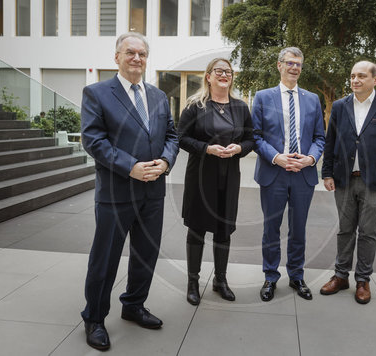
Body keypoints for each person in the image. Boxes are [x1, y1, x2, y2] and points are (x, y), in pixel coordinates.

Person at [80, 32, 179, 350]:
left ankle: (133, 305)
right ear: (117, 57)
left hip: (153, 191)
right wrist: (131, 166)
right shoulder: (96, 93)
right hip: (116, 191)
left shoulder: (159, 96)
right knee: (105, 258)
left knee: (145, 255)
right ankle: (94, 317)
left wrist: (165, 161)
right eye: (130, 52)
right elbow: (93, 140)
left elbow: (172, 136)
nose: (137, 58)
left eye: (142, 53)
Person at [320, 60, 376, 304]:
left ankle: (363, 280)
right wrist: (326, 173)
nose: (356, 80)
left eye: (362, 76)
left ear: (375, 79)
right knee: (345, 230)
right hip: (344, 180)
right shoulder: (339, 106)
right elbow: (330, 142)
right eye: (353, 75)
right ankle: (340, 275)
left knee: (367, 232)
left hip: (374, 182)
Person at [178, 58, 255, 305]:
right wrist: (207, 149)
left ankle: (220, 280)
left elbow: (251, 139)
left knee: (224, 229)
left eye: (229, 71)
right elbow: (181, 138)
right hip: (201, 176)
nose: (225, 75)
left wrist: (238, 148)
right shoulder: (194, 106)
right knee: (197, 229)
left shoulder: (241, 107)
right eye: (219, 71)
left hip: (229, 176)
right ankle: (192, 282)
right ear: (208, 76)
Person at [252, 47, 325, 302]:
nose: (294, 67)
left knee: (299, 229)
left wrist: (311, 158)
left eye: (299, 64)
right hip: (274, 172)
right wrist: (277, 157)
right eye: (290, 63)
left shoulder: (312, 99)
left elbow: (319, 137)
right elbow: (256, 135)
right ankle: (270, 277)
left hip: (303, 174)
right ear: (279, 65)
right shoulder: (262, 97)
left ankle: (296, 275)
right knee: (271, 228)